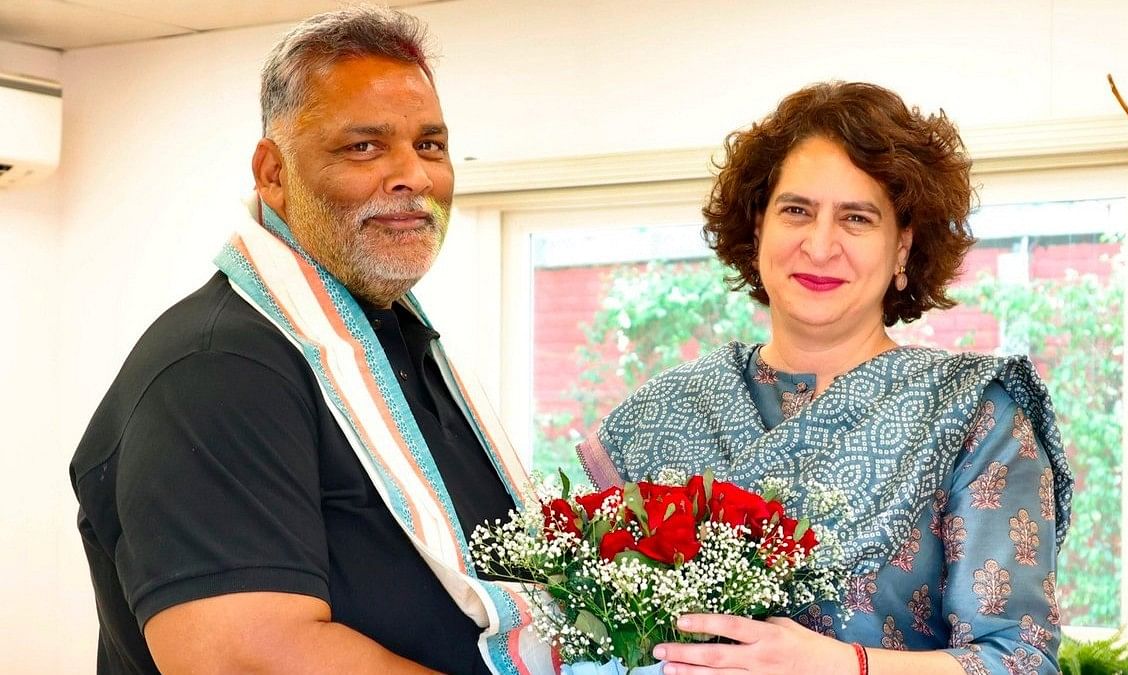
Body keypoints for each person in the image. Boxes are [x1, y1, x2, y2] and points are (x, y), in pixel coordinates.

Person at [69, 7, 550, 674]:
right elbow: (244, 657)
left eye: (430, 145)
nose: (412, 175)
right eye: (365, 146)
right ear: (272, 172)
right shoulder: (218, 367)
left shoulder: (402, 346)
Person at [577, 82, 1073, 675]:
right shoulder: (664, 410)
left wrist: (844, 666)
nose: (819, 245)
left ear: (902, 250)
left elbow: (1018, 659)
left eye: (857, 218)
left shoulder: (972, 413)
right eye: (796, 210)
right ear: (757, 229)